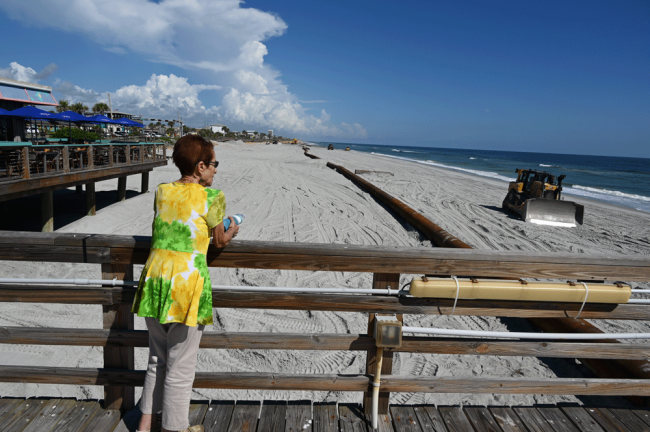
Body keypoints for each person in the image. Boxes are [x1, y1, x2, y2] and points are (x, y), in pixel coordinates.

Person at [132, 135, 239, 432]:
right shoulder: (213, 197)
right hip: (186, 286)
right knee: (180, 367)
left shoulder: (162, 191)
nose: (216, 170)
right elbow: (217, 240)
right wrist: (232, 231)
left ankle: (144, 425)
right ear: (201, 166)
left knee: (157, 358)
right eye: (214, 164)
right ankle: (173, 428)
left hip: (155, 281)